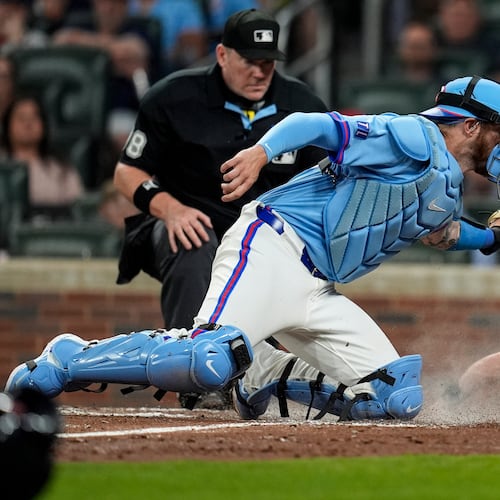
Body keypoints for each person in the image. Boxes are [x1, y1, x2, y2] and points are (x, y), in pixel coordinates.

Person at [7, 75, 500, 422]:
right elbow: (319, 125)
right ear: (471, 124)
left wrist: (494, 235)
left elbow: (451, 233)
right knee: (205, 360)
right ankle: (67, 358)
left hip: (318, 285)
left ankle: (262, 374)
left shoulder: (447, 189)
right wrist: (263, 150)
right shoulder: (415, 136)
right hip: (273, 245)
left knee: (393, 397)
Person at [114, 7, 327, 409]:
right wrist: (170, 209)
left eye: (268, 63)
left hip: (267, 239)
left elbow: (325, 181)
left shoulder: (302, 106)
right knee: (193, 238)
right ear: (222, 55)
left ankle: (300, 377)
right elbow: (127, 172)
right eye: (249, 60)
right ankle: (196, 375)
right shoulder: (174, 97)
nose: (260, 72)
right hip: (187, 226)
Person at [0, 94, 84, 221]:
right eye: (21, 118)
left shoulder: (61, 169)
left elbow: (79, 210)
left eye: (34, 117)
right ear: (7, 125)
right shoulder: (2, 167)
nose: (28, 124)